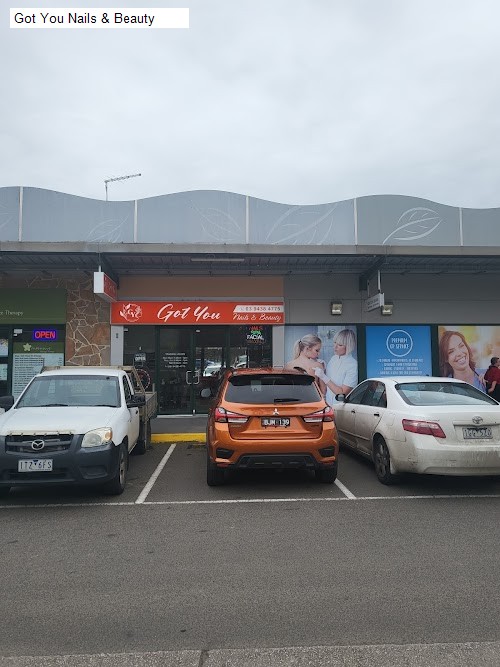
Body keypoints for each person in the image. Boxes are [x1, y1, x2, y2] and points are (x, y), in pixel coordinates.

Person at [314, 329, 358, 406]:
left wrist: (323, 376)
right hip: (328, 404)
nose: (335, 347)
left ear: (348, 346)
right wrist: (323, 368)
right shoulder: (333, 358)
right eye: (335, 342)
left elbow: (342, 393)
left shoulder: (352, 365)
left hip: (341, 407)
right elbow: (329, 382)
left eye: (340, 345)